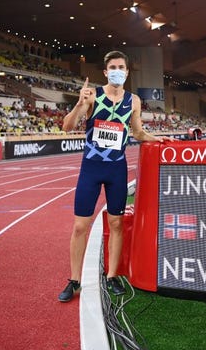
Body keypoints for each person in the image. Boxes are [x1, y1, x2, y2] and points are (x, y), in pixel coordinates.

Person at [58, 50, 175, 302]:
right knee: (80, 226)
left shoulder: (133, 101)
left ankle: (112, 276)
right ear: (105, 71)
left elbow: (138, 132)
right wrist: (80, 103)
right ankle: (74, 280)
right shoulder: (92, 96)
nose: (117, 70)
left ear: (127, 72)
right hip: (91, 167)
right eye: (112, 67)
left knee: (116, 224)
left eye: (121, 66)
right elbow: (67, 127)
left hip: (116, 169)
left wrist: (159, 139)